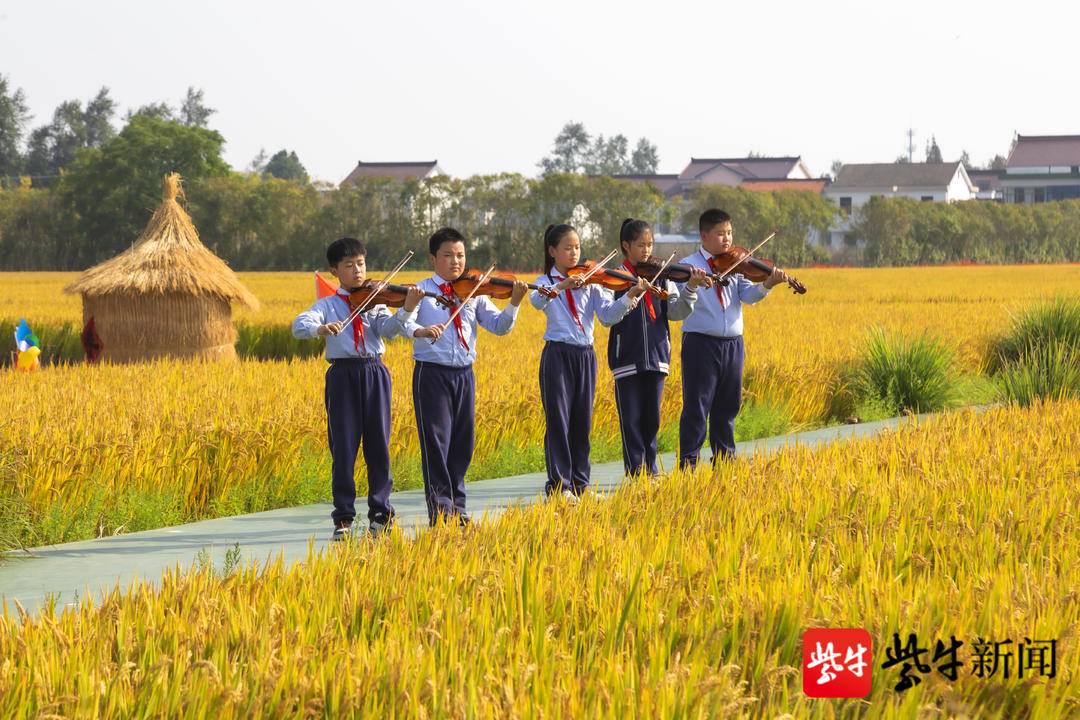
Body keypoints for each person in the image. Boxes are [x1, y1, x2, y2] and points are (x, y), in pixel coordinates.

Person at [395, 227, 527, 525]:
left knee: (463, 443)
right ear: (433, 259)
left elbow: (499, 326)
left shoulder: (474, 291)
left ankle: (458, 507)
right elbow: (404, 324)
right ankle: (441, 512)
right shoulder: (422, 291)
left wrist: (515, 303)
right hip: (432, 373)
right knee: (436, 443)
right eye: (448, 255)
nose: (456, 262)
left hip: (465, 374)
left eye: (461, 255)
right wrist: (421, 331)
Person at [291, 237, 418, 540]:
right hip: (342, 375)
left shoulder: (374, 301)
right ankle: (343, 518)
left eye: (360, 263)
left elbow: (389, 331)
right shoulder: (327, 305)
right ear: (335, 270)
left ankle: (381, 513)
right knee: (344, 448)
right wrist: (320, 328)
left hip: (374, 371)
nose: (357, 270)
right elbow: (299, 324)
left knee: (379, 446)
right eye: (349, 265)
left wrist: (406, 311)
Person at [529, 223, 646, 501]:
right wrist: (562, 285)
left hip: (585, 355)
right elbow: (536, 301)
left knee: (583, 421)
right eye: (567, 248)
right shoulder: (546, 282)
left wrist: (630, 295)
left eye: (577, 248)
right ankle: (559, 487)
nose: (574, 253)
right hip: (557, 354)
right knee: (559, 420)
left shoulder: (592, 281)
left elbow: (607, 316)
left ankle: (581, 484)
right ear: (552, 251)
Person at [675, 209, 790, 469]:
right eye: (719, 234)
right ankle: (688, 465)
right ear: (704, 236)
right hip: (700, 343)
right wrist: (693, 284)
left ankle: (724, 462)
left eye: (729, 233)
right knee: (697, 407)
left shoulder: (737, 263)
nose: (726, 240)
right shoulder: (687, 266)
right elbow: (683, 305)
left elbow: (747, 296)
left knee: (728, 406)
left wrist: (767, 285)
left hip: (733, 344)